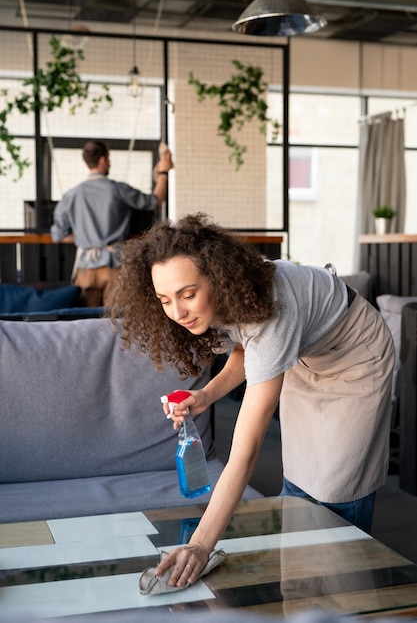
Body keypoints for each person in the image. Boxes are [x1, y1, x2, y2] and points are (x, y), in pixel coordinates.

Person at [109, 212, 395, 589]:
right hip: (307, 354)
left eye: (188, 294)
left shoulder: (272, 312)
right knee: (300, 478)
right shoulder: (235, 299)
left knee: (336, 486)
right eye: (164, 299)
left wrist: (199, 545)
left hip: (356, 355)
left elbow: (247, 450)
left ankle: (348, 595)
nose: (177, 312)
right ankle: (303, 597)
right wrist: (206, 395)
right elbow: (247, 349)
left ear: (216, 277)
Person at [50, 139, 173, 306]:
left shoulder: (71, 195)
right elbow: (155, 201)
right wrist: (163, 172)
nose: (109, 163)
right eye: (108, 159)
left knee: (83, 320)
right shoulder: (118, 189)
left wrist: (85, 237)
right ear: (102, 160)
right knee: (115, 320)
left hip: (86, 266)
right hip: (116, 264)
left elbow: (58, 235)